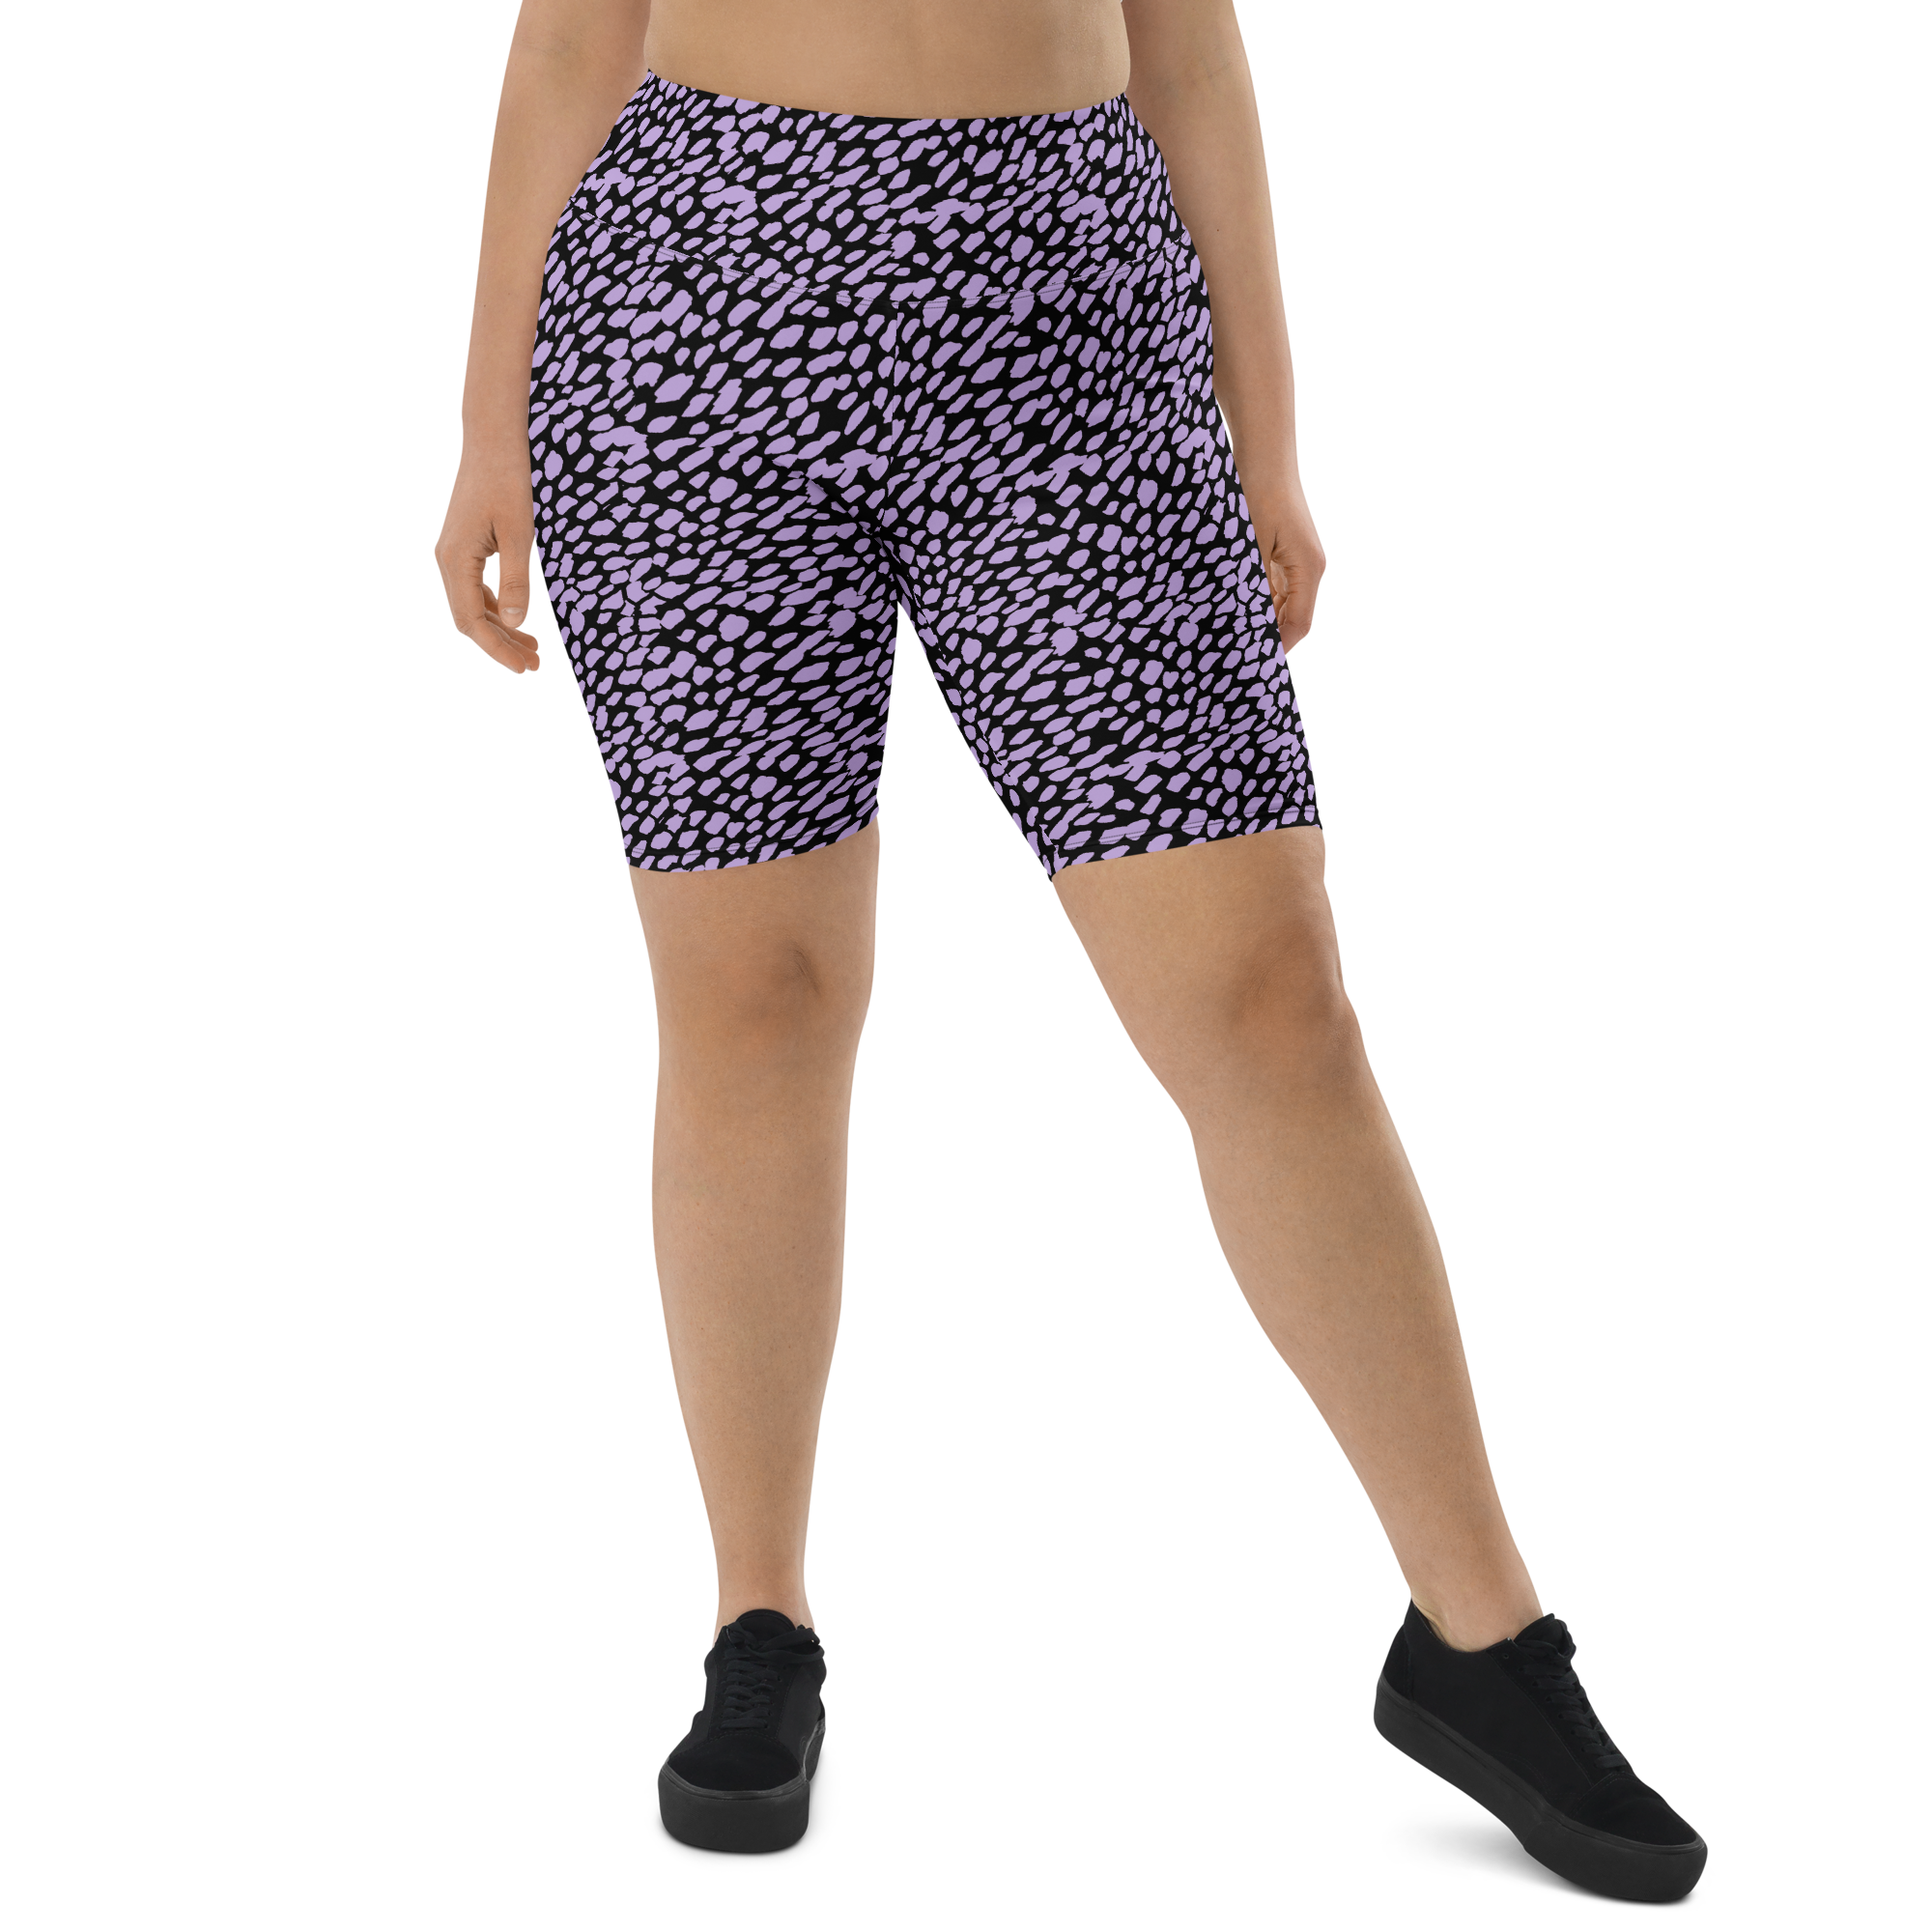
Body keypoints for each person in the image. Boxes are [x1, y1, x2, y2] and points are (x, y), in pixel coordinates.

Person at [435, 0, 1705, 1889]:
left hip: (1071, 308)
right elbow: (567, 41)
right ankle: (757, 1621)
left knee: (1265, 992)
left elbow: (1189, 44)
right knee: (754, 995)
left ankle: (1478, 1633)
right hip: (695, 302)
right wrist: (492, 429)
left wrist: (1265, 439)